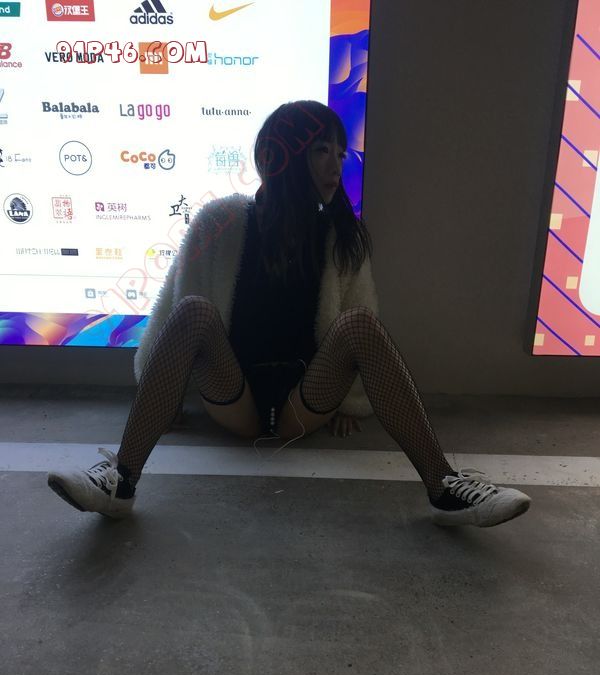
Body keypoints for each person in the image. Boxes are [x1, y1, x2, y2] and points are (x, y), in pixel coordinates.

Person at [47, 99, 531, 528]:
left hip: (306, 398)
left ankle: (445, 486)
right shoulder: (221, 222)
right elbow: (175, 306)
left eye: (341, 153)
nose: (336, 164)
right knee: (193, 310)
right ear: (280, 155)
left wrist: (348, 402)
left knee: (360, 324)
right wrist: (168, 397)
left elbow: (359, 312)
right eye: (322, 150)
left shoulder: (342, 236)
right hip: (235, 396)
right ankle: (121, 480)